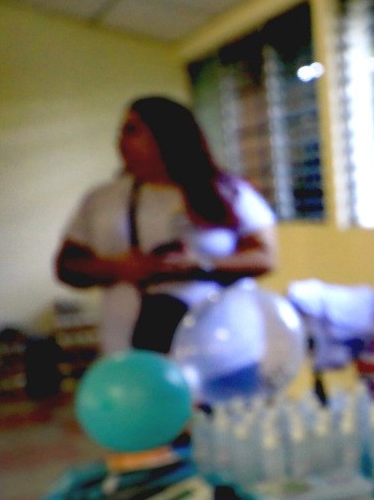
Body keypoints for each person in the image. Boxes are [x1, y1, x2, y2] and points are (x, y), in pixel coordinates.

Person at [54, 95, 278, 355]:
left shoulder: (228, 192)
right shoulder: (101, 200)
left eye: (132, 130)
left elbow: (265, 257)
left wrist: (199, 265)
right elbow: (66, 266)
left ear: (167, 134)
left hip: (224, 352)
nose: (120, 141)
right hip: (133, 358)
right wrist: (118, 267)